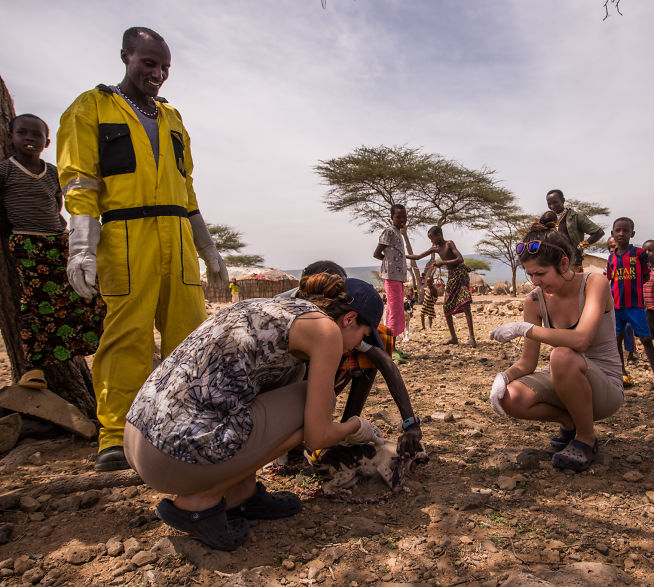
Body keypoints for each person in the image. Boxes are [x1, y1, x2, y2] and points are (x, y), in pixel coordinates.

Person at [57, 27, 228, 472]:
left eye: (165, 66)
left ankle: (181, 423)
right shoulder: (90, 107)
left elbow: (187, 191)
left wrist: (208, 249)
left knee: (189, 338)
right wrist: (81, 248)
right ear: (125, 57)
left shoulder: (173, 118)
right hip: (125, 238)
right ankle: (115, 436)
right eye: (149, 63)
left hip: (178, 236)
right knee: (126, 338)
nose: (158, 73)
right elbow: (79, 183)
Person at [124, 274, 386, 550]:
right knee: (320, 402)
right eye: (363, 336)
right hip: (169, 457)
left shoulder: (280, 310)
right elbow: (317, 436)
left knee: (294, 375)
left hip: (140, 437)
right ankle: (201, 502)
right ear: (349, 319)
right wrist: (357, 427)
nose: (356, 347)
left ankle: (242, 493)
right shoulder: (326, 331)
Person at [487, 219, 623, 472]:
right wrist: (503, 377)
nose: (535, 281)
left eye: (540, 274)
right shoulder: (534, 300)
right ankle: (570, 423)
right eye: (530, 275)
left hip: (604, 386)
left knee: (561, 355)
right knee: (511, 397)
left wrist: (524, 329)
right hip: (563, 379)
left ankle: (586, 438)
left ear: (563, 264)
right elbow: (528, 362)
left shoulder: (594, 283)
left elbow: (582, 340)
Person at [277, 260, 423, 457]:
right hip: (276, 389)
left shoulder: (343, 316)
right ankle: (291, 437)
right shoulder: (286, 312)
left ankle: (343, 432)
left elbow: (381, 359)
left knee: (375, 344)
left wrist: (411, 423)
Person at [0, 114, 105, 387]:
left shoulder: (53, 173)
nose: (29, 139)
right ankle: (33, 368)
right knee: (35, 304)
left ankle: (99, 346)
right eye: (22, 133)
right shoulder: (6, 170)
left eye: (36, 135)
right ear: (11, 137)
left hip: (59, 240)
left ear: (46, 142)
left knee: (89, 291)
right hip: (27, 243)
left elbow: (59, 202)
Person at [606, 218, 654, 393]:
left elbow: (646, 276)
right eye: (618, 230)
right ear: (612, 233)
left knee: (646, 339)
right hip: (617, 306)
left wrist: (634, 288)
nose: (621, 234)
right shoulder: (611, 257)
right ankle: (623, 373)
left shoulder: (639, 254)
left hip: (636, 305)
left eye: (625, 231)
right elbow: (610, 279)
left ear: (632, 234)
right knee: (617, 339)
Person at [407, 226, 477, 347]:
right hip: (451, 276)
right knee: (446, 307)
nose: (431, 241)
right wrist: (403, 255)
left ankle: (472, 338)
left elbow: (460, 259)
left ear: (439, 235)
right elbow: (418, 256)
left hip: (460, 274)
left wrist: (443, 263)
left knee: (465, 304)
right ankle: (453, 337)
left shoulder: (449, 244)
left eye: (432, 238)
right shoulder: (435, 248)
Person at [545, 189, 604, 272]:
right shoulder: (549, 220)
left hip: (573, 263)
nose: (552, 206)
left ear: (563, 200)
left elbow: (599, 232)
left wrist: (582, 246)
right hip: (555, 264)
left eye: (555, 202)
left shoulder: (576, 217)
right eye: (549, 204)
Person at [373, 204, 408, 338]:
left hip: (398, 277)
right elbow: (377, 253)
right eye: (398, 217)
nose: (402, 220)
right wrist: (389, 262)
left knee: (394, 309)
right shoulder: (389, 232)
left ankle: (390, 343)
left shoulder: (399, 233)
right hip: (391, 276)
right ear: (392, 217)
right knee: (395, 310)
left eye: (404, 217)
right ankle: (391, 345)